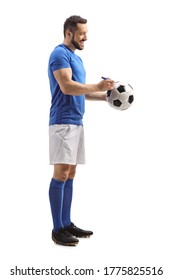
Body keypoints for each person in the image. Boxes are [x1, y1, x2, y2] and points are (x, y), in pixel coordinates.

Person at [48, 15, 115, 246]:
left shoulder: (76, 59)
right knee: (61, 174)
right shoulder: (59, 54)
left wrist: (107, 97)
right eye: (81, 33)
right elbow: (67, 87)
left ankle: (66, 223)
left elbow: (81, 91)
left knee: (72, 174)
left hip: (76, 121)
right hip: (62, 122)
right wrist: (97, 85)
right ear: (69, 33)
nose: (86, 37)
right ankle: (57, 229)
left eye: (86, 33)